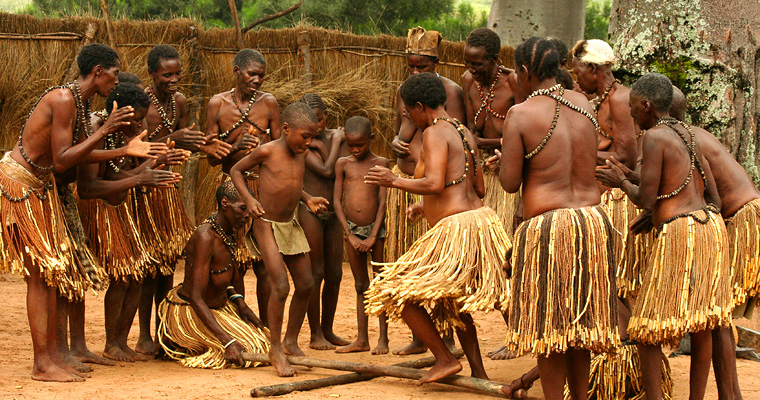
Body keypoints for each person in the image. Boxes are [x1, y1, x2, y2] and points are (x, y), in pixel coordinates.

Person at [364, 72, 511, 384]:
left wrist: (395, 181)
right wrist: (426, 205)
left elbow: (433, 182)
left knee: (394, 292)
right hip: (481, 222)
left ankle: (445, 359)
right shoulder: (463, 131)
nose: (409, 118)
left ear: (419, 106)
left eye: (408, 112)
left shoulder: (434, 133)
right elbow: (478, 188)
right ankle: (479, 372)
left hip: (456, 229)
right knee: (453, 301)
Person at [0, 43, 135, 382]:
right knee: (39, 274)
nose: (116, 83)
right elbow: (62, 159)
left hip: (40, 187)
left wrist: (125, 149)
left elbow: (78, 157)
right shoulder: (63, 99)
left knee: (49, 275)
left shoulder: (79, 101)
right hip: (21, 185)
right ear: (98, 72)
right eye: (115, 74)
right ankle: (42, 363)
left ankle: (52, 357)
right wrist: (106, 131)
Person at [597, 73, 733, 399]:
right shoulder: (688, 134)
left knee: (645, 329)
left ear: (646, 105)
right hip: (709, 227)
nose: (630, 115)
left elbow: (645, 196)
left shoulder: (655, 137)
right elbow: (713, 197)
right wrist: (660, 211)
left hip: (680, 233)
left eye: (632, 109)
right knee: (701, 324)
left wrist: (620, 181)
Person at [498, 37, 619, 400]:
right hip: (593, 222)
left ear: (523, 71)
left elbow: (508, 183)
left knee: (549, 325)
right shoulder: (583, 103)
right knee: (581, 322)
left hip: (549, 227)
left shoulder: (520, 114)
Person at [78, 82, 184, 362]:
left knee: (136, 276)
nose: (139, 126)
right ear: (120, 114)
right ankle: (112, 343)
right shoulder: (96, 132)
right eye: (136, 119)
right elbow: (89, 188)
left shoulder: (121, 137)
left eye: (142, 119)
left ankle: (121, 342)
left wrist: (153, 165)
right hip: (97, 210)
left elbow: (116, 176)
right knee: (124, 275)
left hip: (118, 206)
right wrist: (139, 178)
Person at [136, 44, 229, 355]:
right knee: (147, 267)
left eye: (177, 73)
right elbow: (136, 149)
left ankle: (165, 331)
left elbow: (184, 140)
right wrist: (174, 139)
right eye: (167, 74)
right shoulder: (140, 103)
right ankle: (143, 336)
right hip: (142, 190)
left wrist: (205, 144)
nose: (174, 79)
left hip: (168, 191)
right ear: (151, 74)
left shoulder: (178, 102)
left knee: (166, 265)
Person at [230, 102, 328, 377]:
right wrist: (249, 200)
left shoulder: (300, 151)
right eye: (304, 136)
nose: (308, 143)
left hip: (290, 223)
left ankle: (290, 341)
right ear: (286, 129)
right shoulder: (267, 150)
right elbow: (235, 171)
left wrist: (308, 199)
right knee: (281, 285)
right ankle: (275, 347)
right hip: (266, 224)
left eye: (312, 137)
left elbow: (291, 183)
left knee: (307, 283)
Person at [388, 26, 465, 356]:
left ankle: (446, 339)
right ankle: (422, 338)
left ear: (437, 62)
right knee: (411, 267)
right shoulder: (404, 91)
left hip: (437, 191)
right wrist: (396, 144)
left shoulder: (451, 93)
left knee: (440, 274)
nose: (416, 72)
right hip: (410, 185)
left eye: (423, 66)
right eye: (412, 66)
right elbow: (401, 132)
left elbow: (456, 140)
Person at [206, 48, 282, 327]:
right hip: (231, 189)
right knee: (230, 262)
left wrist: (262, 151)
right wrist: (235, 148)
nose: (258, 80)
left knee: (263, 264)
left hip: (262, 189)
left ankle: (265, 327)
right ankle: (235, 324)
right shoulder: (217, 104)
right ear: (237, 71)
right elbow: (212, 159)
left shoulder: (269, 103)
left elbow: (281, 148)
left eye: (262, 75)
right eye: (252, 74)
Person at [157, 180, 270, 369]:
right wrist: (227, 342)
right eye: (242, 208)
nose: (247, 215)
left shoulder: (228, 231)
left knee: (264, 342)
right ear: (225, 203)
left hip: (217, 307)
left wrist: (240, 304)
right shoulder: (205, 237)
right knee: (250, 350)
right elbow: (195, 296)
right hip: (192, 310)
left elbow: (225, 278)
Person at [571, 39, 642, 302]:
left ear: (593, 69)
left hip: (619, 199)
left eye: (578, 72)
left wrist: (578, 152)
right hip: (602, 195)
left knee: (617, 279)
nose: (577, 80)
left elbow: (626, 157)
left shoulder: (620, 99)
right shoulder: (601, 99)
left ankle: (627, 339)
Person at [297, 93, 350, 350]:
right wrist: (333, 143)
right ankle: (315, 333)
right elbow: (328, 171)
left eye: (318, 120)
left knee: (336, 274)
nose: (314, 127)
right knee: (315, 272)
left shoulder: (334, 138)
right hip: (310, 212)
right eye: (308, 121)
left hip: (335, 212)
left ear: (326, 117)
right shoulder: (301, 143)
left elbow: (345, 168)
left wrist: (329, 143)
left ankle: (328, 330)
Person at [333, 116, 389, 354]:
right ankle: (362, 338)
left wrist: (373, 236)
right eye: (350, 145)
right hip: (352, 230)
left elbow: (383, 202)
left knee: (380, 283)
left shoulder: (381, 163)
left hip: (376, 230)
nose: (355, 150)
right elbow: (337, 200)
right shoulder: (342, 164)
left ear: (371, 140)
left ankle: (383, 339)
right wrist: (350, 234)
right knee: (360, 284)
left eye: (360, 145)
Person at [462, 27, 522, 237]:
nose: (471, 69)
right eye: (467, 62)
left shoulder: (513, 81)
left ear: (494, 59)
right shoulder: (468, 80)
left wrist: (488, 144)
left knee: (503, 235)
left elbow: (525, 131)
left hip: (506, 170)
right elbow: (470, 128)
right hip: (479, 170)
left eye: (477, 63)